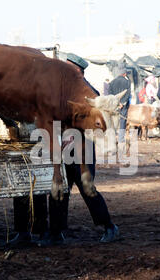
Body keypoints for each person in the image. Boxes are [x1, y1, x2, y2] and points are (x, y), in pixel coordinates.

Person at [38, 52, 119, 247]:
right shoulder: (61, 91)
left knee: (87, 188)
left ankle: (109, 227)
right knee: (59, 189)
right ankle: (56, 232)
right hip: (64, 148)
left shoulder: (90, 94)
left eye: (68, 68)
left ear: (78, 71)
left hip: (83, 149)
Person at [108, 66, 131, 145]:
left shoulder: (112, 82)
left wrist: (116, 103)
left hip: (114, 105)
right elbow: (128, 94)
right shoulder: (127, 82)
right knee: (122, 120)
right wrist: (122, 102)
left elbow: (110, 94)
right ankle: (121, 139)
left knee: (113, 120)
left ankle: (113, 138)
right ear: (124, 74)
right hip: (123, 105)